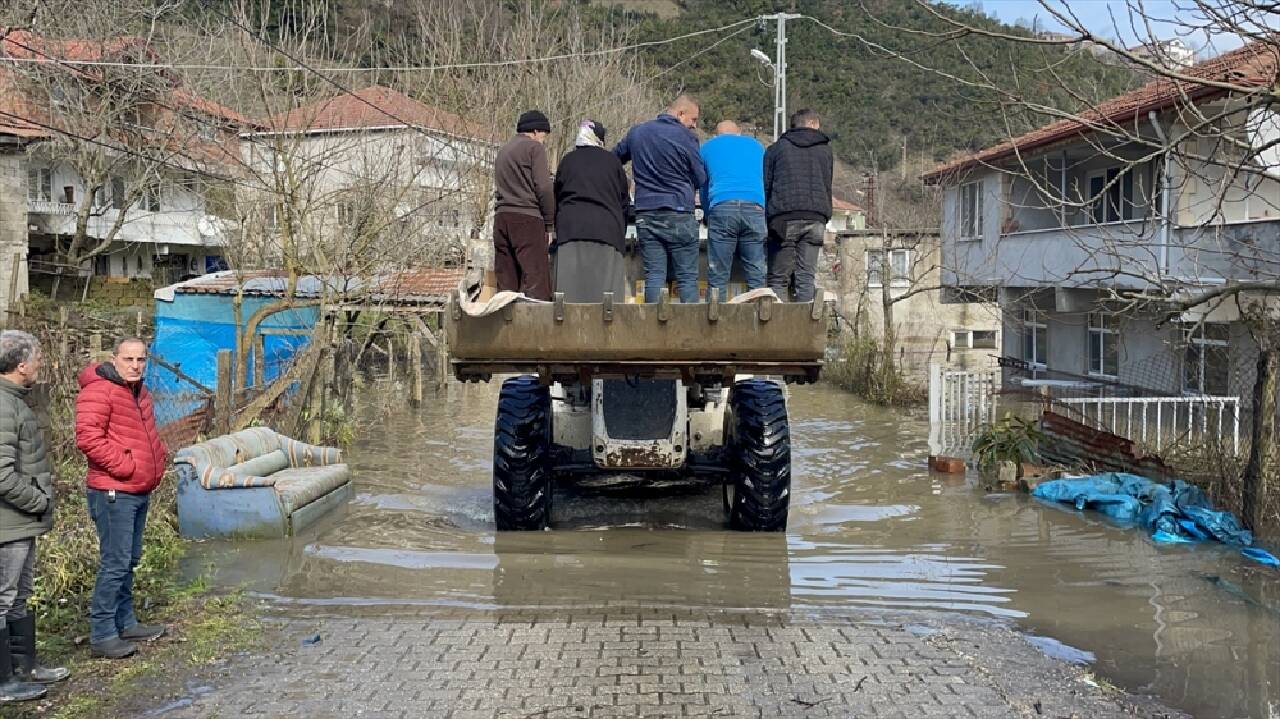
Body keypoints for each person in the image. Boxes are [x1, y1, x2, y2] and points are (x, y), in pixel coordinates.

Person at [75, 338, 168, 660]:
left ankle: (126, 622)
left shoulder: (140, 391)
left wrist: (157, 459)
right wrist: (126, 466)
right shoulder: (99, 390)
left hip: (138, 489)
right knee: (114, 562)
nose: (135, 365)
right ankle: (102, 634)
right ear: (114, 359)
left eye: (141, 359)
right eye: (128, 359)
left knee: (129, 559)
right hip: (113, 490)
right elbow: (88, 437)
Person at [0, 331, 67, 703]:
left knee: (20, 596)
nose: (41, 364)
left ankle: (25, 667)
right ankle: (3, 681)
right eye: (38, 358)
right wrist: (39, 500)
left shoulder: (16, 400)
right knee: (3, 599)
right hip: (9, 523)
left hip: (20, 521)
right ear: (21, 364)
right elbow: (1, 474)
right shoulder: (3, 406)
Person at [614, 95, 706, 303]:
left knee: (654, 276)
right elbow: (700, 177)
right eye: (693, 120)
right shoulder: (686, 137)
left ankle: (653, 331)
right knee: (687, 278)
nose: (694, 126)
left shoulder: (638, 132)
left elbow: (613, 159)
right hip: (679, 211)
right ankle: (688, 329)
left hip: (646, 212)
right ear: (681, 113)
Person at [552, 120, 633, 302]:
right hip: (608, 232)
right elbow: (624, 203)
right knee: (606, 302)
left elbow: (556, 198)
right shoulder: (613, 163)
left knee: (568, 299)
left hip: (570, 231)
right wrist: (621, 231)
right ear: (600, 140)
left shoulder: (567, 161)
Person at [764, 108, 833, 302]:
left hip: (783, 218)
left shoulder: (776, 148)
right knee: (806, 278)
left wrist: (768, 218)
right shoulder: (825, 150)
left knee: (778, 278)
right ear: (811, 124)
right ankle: (805, 329)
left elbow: (767, 184)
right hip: (816, 217)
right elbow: (827, 183)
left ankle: (776, 326)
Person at [700, 120, 766, 299]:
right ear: (739, 133)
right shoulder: (757, 147)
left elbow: (703, 186)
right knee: (756, 272)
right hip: (754, 207)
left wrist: (708, 214)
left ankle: (715, 321)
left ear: (716, 134)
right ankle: (760, 317)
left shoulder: (707, 148)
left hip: (722, 206)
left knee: (718, 274)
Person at [493, 110, 555, 300]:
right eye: (544, 135)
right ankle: (537, 328)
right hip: (527, 220)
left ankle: (507, 325)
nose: (544, 140)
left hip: (501, 219)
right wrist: (549, 223)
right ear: (536, 131)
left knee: (507, 284)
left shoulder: (503, 151)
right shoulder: (534, 149)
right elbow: (544, 187)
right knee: (536, 281)